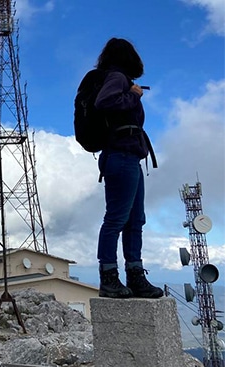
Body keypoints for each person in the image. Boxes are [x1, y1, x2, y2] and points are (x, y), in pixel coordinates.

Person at [89, 38, 162, 299]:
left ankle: (134, 275)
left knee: (134, 220)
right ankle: (110, 277)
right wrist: (133, 94)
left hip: (128, 157)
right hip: (121, 156)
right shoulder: (118, 77)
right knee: (117, 219)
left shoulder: (117, 77)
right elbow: (104, 102)